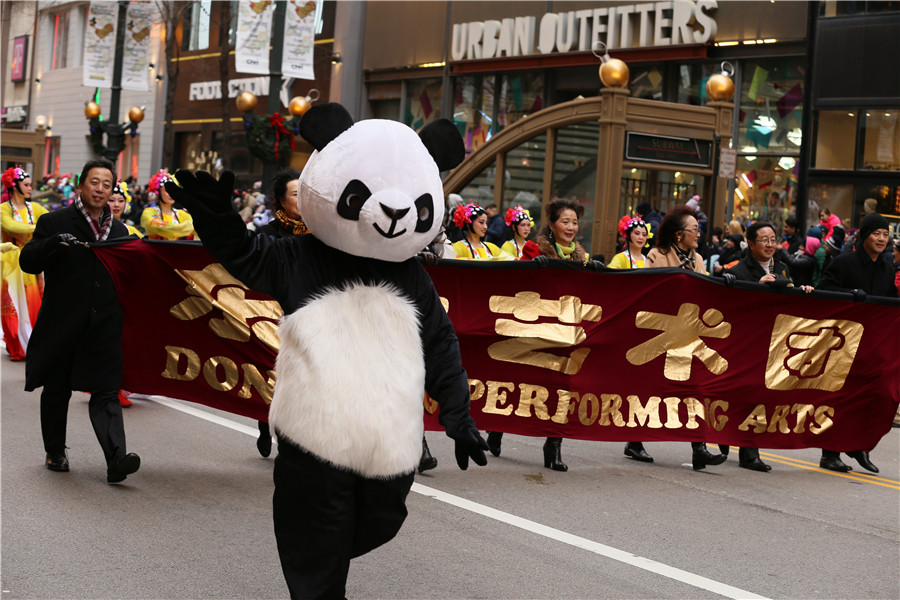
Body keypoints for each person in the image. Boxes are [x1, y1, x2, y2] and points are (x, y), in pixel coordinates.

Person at [19, 158, 140, 483]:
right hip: (64, 322)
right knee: (57, 389)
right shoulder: (53, 221)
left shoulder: (119, 230)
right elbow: (28, 261)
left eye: (106, 184)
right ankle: (55, 451)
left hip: (104, 327)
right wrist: (52, 244)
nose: (100, 189)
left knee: (106, 391)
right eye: (94, 182)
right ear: (81, 185)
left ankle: (117, 459)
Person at [488, 197, 587, 472]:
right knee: (521, 381)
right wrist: (534, 268)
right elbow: (516, 281)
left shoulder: (581, 255)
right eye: (565, 222)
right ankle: (497, 428)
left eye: (575, 223)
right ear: (552, 225)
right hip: (534, 328)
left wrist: (597, 274)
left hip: (564, 331)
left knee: (561, 386)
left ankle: (553, 445)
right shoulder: (534, 249)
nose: (571, 227)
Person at [725, 221, 814, 472]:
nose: (770, 244)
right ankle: (734, 443)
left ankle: (749, 448)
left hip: (774, 342)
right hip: (746, 343)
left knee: (763, 395)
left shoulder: (783, 268)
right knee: (741, 394)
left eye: (773, 239)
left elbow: (789, 303)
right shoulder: (740, 271)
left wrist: (802, 291)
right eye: (763, 240)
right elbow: (730, 308)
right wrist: (757, 287)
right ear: (750, 244)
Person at [644, 205, 727, 470]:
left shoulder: (699, 259)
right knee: (649, 388)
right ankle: (634, 440)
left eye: (699, 230)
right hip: (663, 332)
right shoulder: (657, 255)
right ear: (679, 234)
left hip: (690, 334)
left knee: (695, 389)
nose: (698, 234)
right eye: (694, 229)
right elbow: (649, 290)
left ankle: (698, 447)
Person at [816, 212, 897, 473]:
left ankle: (858, 446)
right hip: (843, 342)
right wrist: (852, 296)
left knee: (872, 396)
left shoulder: (886, 267)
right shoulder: (845, 262)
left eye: (885, 234)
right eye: (876, 233)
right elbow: (823, 290)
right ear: (864, 236)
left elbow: (890, 300)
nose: (882, 239)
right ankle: (830, 454)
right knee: (840, 398)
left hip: (873, 345)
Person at [247, 168, 305, 459]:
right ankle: (263, 422)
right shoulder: (267, 234)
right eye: (296, 194)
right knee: (271, 374)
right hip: (272, 316)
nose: (302, 199)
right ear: (282, 201)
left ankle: (290, 437)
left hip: (307, 317)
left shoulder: (321, 233)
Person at [1, 166, 48, 361]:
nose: (30, 188)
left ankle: (32, 343)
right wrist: (37, 228)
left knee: (33, 304)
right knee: (12, 305)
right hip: (12, 264)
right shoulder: (4, 209)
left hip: (32, 263)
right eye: (26, 185)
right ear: (14, 186)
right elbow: (11, 226)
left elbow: (52, 220)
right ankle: (15, 345)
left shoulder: (35, 208)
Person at [107, 180, 142, 407]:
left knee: (122, 338)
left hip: (123, 290)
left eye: (121, 200)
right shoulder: (97, 227)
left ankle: (116, 386)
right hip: (102, 288)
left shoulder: (131, 229)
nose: (116, 204)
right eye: (112, 200)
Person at [141, 169, 195, 240]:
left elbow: (196, 226)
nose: (171, 194)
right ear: (158, 192)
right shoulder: (149, 212)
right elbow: (158, 227)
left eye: (173, 191)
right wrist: (186, 227)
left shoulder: (182, 214)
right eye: (167, 190)